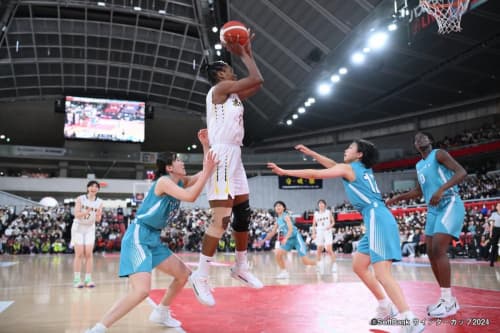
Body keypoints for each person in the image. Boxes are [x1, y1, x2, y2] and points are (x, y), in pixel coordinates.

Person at [268, 141, 424, 333]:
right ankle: (385, 306)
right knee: (359, 265)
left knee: (382, 273)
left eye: (350, 147)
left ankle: (409, 318)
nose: (346, 150)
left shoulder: (350, 169)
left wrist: (285, 172)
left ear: (359, 154)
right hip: (375, 218)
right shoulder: (356, 168)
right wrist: (312, 153)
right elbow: (332, 165)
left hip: (377, 218)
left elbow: (315, 174)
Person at [85, 129, 217, 333]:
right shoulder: (164, 182)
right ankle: (99, 328)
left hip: (152, 237)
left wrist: (205, 146)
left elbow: (205, 171)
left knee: (183, 275)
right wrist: (208, 172)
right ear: (170, 167)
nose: (182, 162)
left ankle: (161, 312)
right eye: (178, 160)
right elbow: (191, 195)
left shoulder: (179, 180)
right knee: (142, 291)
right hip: (138, 235)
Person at [189, 32, 265, 307]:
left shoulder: (233, 95)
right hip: (221, 155)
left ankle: (240, 266)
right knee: (221, 218)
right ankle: (201, 275)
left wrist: (249, 51)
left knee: (243, 212)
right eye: (229, 69)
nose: (233, 71)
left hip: (236, 155)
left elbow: (258, 83)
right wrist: (244, 54)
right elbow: (255, 78)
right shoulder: (218, 91)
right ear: (220, 74)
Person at [386, 132, 466, 319]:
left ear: (430, 141)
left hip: (449, 202)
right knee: (430, 252)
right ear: (415, 146)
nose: (419, 140)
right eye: (416, 139)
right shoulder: (419, 165)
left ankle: (448, 303)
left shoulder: (439, 154)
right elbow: (419, 190)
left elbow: (462, 172)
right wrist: (398, 197)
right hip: (433, 209)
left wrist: (441, 189)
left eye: (423, 137)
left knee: (439, 249)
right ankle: (447, 298)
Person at [258, 201, 316, 279]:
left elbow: (291, 228)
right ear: (275, 209)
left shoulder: (286, 216)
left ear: (283, 208)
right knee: (278, 254)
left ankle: (318, 263)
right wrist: (263, 240)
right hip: (288, 240)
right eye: (276, 206)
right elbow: (273, 232)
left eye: (280, 205)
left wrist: (285, 238)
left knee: (305, 262)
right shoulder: (278, 220)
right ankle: (284, 272)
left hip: (296, 238)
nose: (278, 207)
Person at [71, 180, 103, 288]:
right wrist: (86, 212)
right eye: (91, 186)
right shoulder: (80, 199)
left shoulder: (100, 202)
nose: (94, 188)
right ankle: (76, 280)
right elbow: (76, 214)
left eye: (96, 187)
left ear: (98, 189)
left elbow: (98, 220)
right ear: (88, 188)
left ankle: (88, 279)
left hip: (90, 228)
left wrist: (98, 215)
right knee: (79, 254)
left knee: (89, 254)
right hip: (78, 227)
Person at [312, 199, 337, 273]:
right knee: (319, 250)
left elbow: (333, 222)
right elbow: (313, 225)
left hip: (327, 231)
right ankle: (318, 265)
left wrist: (330, 226)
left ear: (325, 205)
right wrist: (313, 233)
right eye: (320, 204)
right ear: (318, 205)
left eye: (322, 203)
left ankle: (334, 265)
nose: (321, 205)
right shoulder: (316, 214)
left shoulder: (328, 212)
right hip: (319, 231)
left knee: (329, 249)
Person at [488, 202, 500, 267]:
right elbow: (492, 224)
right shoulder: (494, 214)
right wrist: (490, 232)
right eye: (498, 206)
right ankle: (492, 261)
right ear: (496, 207)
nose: (499, 207)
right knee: (494, 246)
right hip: (495, 230)